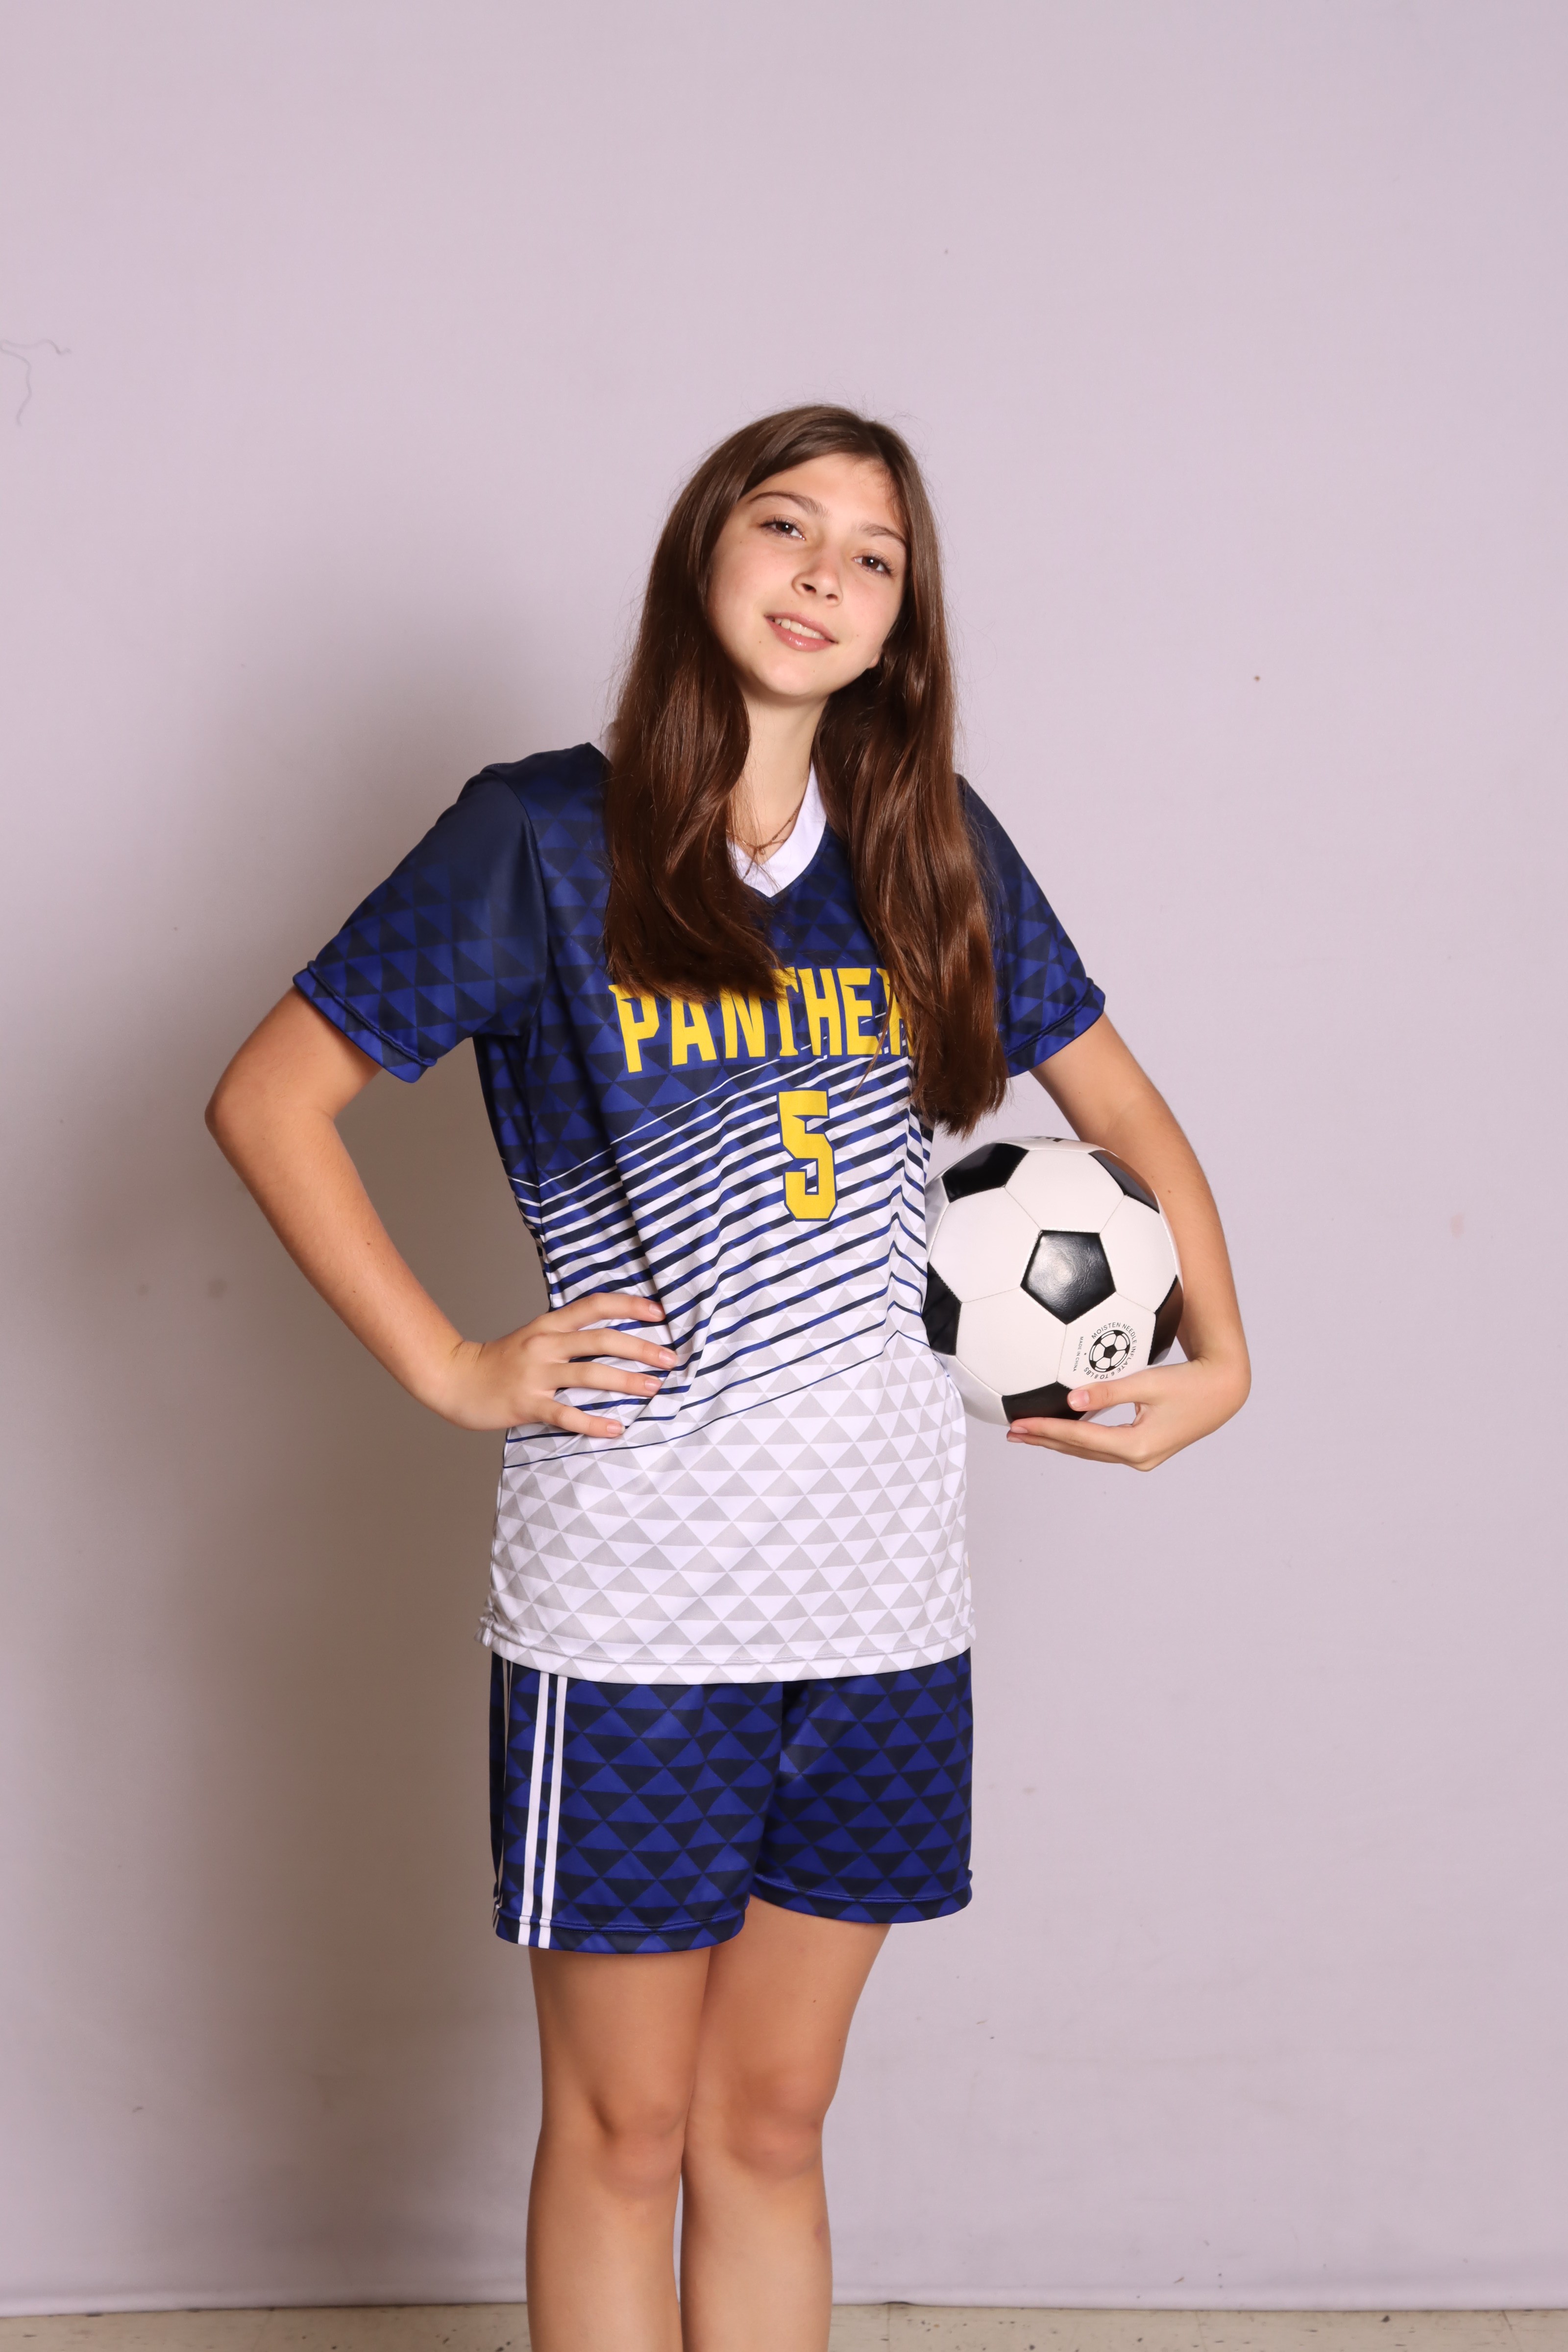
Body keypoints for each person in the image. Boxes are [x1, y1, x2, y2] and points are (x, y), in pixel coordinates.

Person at [207, 404, 1250, 2352]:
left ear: (900, 626)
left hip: (881, 1603)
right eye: (786, 526)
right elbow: (270, 1099)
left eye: (873, 557)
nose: (824, 576)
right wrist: (449, 1364)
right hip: (634, 1606)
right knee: (625, 2131)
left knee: (769, 2124)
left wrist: (1227, 1349)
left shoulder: (930, 845)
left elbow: (1120, 1106)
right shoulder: (540, 838)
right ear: (705, 552)